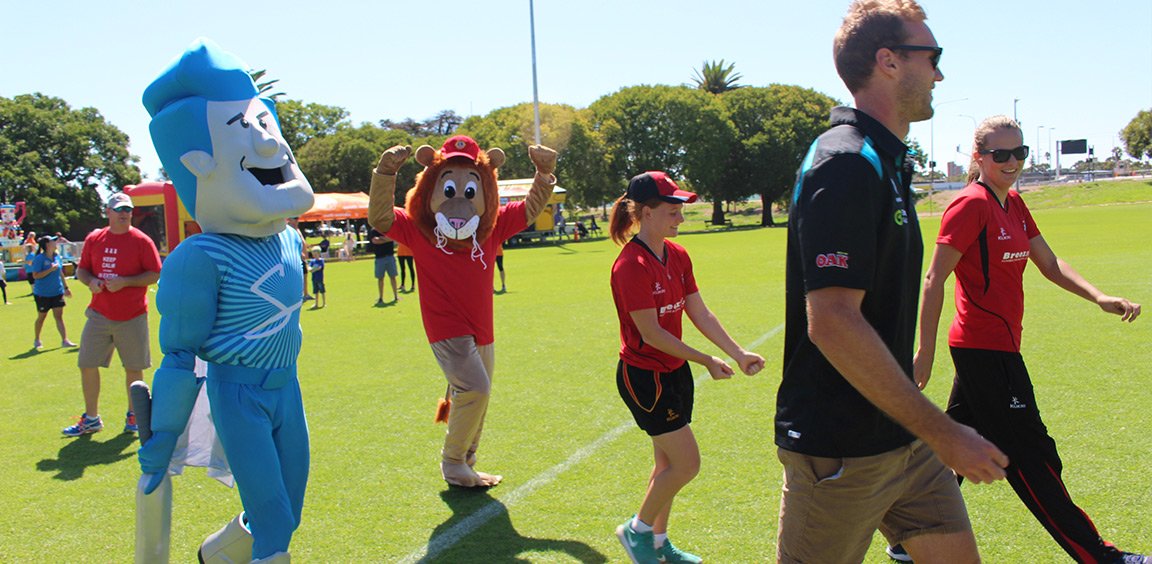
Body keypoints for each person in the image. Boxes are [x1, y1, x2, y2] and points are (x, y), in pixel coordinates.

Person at [776, 2, 1010, 562]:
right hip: (843, 450)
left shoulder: (887, 158)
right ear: (888, 60)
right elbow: (832, 320)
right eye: (933, 57)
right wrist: (947, 432)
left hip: (904, 440)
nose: (940, 73)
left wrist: (927, 433)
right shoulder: (846, 162)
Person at [912, 115, 1146, 563]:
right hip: (983, 349)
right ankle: (1098, 555)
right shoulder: (969, 205)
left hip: (1000, 345)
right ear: (978, 158)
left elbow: (1049, 262)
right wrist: (924, 352)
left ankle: (908, 538)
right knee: (1031, 455)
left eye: (1020, 153)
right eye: (1001, 154)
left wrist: (1098, 296)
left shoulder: (1013, 203)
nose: (1012, 161)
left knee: (952, 446)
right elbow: (933, 279)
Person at [610, 171, 765, 564]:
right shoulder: (630, 265)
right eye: (672, 211)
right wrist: (707, 360)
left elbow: (699, 311)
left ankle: (659, 545)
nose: (680, 219)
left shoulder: (677, 255)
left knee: (666, 464)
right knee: (686, 463)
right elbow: (651, 334)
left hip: (674, 371)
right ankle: (636, 532)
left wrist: (737, 351)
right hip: (645, 377)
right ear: (646, 212)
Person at [62, 192, 163, 437]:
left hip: (132, 314)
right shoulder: (95, 238)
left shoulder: (141, 241)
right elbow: (82, 270)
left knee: (134, 367)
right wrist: (92, 281)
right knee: (86, 363)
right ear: (107, 212)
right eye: (118, 210)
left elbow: (155, 273)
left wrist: (126, 282)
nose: (124, 214)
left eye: (127, 210)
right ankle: (92, 418)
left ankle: (134, 416)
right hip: (99, 313)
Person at [30, 234, 76, 349]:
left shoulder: (57, 257)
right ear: (47, 245)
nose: (56, 243)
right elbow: (35, 276)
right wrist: (50, 270)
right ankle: (37, 339)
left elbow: (60, 273)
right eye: (53, 241)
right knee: (42, 317)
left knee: (59, 316)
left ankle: (65, 340)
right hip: (42, 294)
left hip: (57, 292)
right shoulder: (39, 259)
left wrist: (66, 288)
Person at [369, 227, 398, 305]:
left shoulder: (388, 229)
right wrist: (387, 239)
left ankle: (396, 296)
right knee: (380, 278)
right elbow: (375, 241)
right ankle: (381, 297)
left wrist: (382, 239)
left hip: (390, 256)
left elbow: (393, 238)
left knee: (393, 277)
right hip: (379, 258)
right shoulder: (374, 231)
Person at [287, 217, 313, 301]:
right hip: (296, 257)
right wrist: (299, 253)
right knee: (296, 277)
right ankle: (298, 295)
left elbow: (302, 242)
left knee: (305, 275)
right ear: (289, 220)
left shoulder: (297, 229)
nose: (297, 221)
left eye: (297, 219)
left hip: (302, 258)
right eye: (295, 219)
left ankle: (305, 293)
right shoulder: (288, 230)